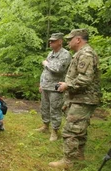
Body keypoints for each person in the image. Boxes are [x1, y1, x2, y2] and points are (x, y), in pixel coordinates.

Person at [49, 29, 101, 169]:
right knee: (79, 129)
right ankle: (78, 157)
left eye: (70, 39)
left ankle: (69, 161)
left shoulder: (86, 54)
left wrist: (67, 85)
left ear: (78, 39)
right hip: (80, 98)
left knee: (71, 130)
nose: (68, 42)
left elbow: (85, 78)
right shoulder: (81, 53)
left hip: (83, 99)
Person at [35, 33, 71, 141]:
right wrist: (41, 84)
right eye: (50, 41)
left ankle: (55, 131)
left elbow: (58, 69)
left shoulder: (65, 54)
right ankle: (45, 126)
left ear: (60, 41)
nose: (50, 42)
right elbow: (45, 71)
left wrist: (46, 63)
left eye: (53, 41)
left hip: (56, 85)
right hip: (46, 85)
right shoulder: (50, 54)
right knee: (44, 107)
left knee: (55, 108)